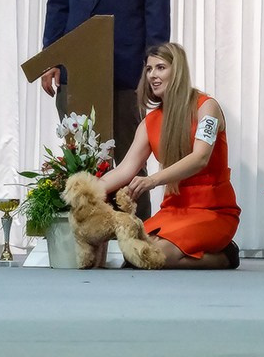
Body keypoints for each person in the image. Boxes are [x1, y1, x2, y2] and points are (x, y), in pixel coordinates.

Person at [40, 0, 171, 220]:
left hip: (127, 75)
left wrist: (155, 74)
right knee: (80, 158)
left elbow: (157, 14)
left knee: (131, 158)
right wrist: (50, 58)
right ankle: (84, 233)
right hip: (77, 73)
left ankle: (139, 233)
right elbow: (59, 3)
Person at [99, 42, 241, 269]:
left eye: (161, 68)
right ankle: (201, 252)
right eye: (149, 69)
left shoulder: (207, 107)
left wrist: (152, 180)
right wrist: (86, 192)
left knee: (155, 256)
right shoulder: (150, 122)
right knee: (134, 254)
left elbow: (200, 158)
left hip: (212, 211)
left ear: (178, 71)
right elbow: (125, 169)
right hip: (173, 210)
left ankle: (226, 256)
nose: (152, 75)